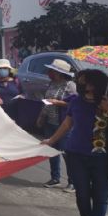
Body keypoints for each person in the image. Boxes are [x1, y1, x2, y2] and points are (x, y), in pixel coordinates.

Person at [42, 70, 108, 216]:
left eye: (85, 83)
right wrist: (51, 140)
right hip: (75, 155)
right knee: (82, 195)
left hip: (102, 158)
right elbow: (67, 124)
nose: (81, 86)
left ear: (96, 84)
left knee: (100, 196)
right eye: (80, 83)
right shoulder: (76, 101)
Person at [36, 59, 77, 190]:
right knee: (51, 151)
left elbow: (75, 104)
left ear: (59, 73)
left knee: (66, 152)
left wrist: (58, 103)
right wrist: (41, 116)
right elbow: (46, 102)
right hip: (50, 122)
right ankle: (55, 178)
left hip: (63, 123)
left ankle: (73, 181)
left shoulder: (70, 85)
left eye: (52, 71)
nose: (49, 73)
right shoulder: (52, 83)